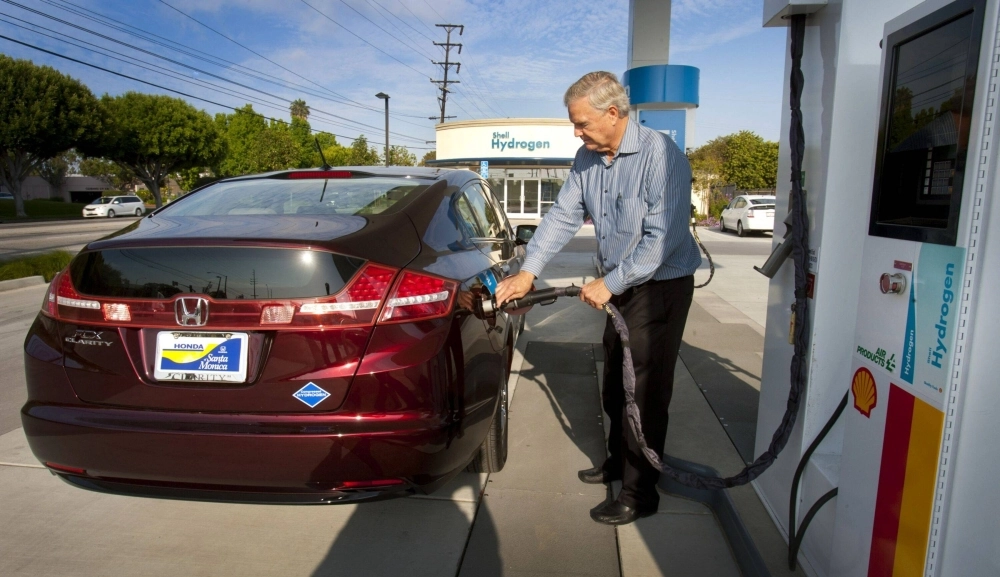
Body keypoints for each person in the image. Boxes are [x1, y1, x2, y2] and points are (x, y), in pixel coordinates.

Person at [494, 71, 701, 526]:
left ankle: (638, 491)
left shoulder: (661, 156)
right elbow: (562, 216)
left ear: (613, 113)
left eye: (582, 123)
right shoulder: (587, 158)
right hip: (621, 285)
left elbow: (660, 239)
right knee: (614, 383)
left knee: (642, 391)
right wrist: (529, 271)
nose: (576, 132)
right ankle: (617, 461)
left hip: (659, 285)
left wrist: (611, 282)